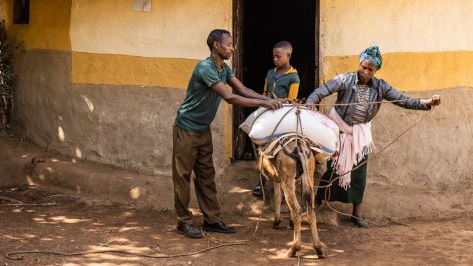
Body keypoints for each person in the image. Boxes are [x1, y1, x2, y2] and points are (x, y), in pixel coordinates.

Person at [306, 45, 441, 227]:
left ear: (376, 70)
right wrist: (311, 102)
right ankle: (317, 201)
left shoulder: (381, 86)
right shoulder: (345, 79)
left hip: (361, 135)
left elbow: (403, 100)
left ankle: (357, 214)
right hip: (339, 131)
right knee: (334, 170)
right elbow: (322, 90)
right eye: (364, 67)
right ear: (359, 63)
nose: (366, 72)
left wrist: (426, 103)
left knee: (360, 175)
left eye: (371, 69)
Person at [173, 29, 285, 238]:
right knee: (183, 176)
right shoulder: (205, 68)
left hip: (202, 129)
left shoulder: (223, 68)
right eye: (229, 44)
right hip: (186, 128)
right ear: (216, 45)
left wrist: (267, 100)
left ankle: (212, 220)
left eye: (233, 44)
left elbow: (242, 90)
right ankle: (183, 221)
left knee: (206, 175)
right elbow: (230, 98)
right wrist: (266, 104)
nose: (232, 48)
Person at [252, 41, 300, 197]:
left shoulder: (294, 77)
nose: (275, 59)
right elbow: (264, 93)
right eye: (274, 56)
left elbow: (292, 100)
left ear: (288, 56)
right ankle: (261, 180)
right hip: (267, 112)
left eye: (278, 56)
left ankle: (293, 176)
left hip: (283, 114)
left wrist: (278, 101)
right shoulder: (269, 73)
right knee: (261, 145)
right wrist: (267, 101)